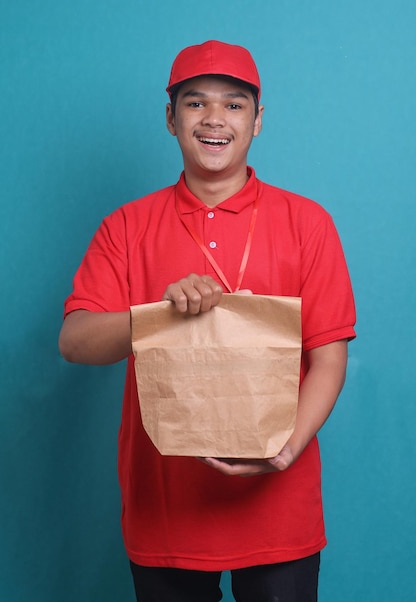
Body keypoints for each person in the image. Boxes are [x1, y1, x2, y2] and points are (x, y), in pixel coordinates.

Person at [59, 40, 356, 602]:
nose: (215, 119)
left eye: (235, 104)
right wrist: (159, 317)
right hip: (165, 512)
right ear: (170, 118)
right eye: (195, 104)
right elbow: (75, 341)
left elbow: (329, 356)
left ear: (258, 121)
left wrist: (284, 451)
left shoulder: (307, 223)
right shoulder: (126, 226)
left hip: (277, 510)